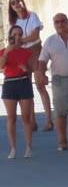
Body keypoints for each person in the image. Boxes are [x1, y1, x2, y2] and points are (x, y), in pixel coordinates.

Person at [37, 14, 68, 151]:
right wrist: (41, 75)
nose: (59, 24)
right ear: (54, 24)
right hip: (59, 81)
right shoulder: (50, 41)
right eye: (56, 22)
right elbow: (42, 60)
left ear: (67, 22)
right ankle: (62, 140)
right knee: (60, 112)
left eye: (62, 21)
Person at [8, 0, 51, 131]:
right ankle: (31, 122)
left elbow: (35, 36)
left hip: (35, 51)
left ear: (22, 2)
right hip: (21, 54)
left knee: (40, 85)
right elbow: (13, 41)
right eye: (13, 3)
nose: (16, 4)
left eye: (18, 1)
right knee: (27, 88)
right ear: (11, 7)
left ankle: (49, 120)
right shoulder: (14, 22)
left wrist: (20, 40)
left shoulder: (33, 16)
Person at [1, 25, 36, 158]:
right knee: (11, 118)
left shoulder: (27, 52)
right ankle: (13, 148)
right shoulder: (4, 51)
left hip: (23, 82)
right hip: (9, 83)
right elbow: (1, 66)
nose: (16, 37)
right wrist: (6, 53)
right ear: (9, 36)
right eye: (14, 35)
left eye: (19, 35)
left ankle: (28, 147)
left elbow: (33, 68)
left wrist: (26, 68)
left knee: (26, 116)